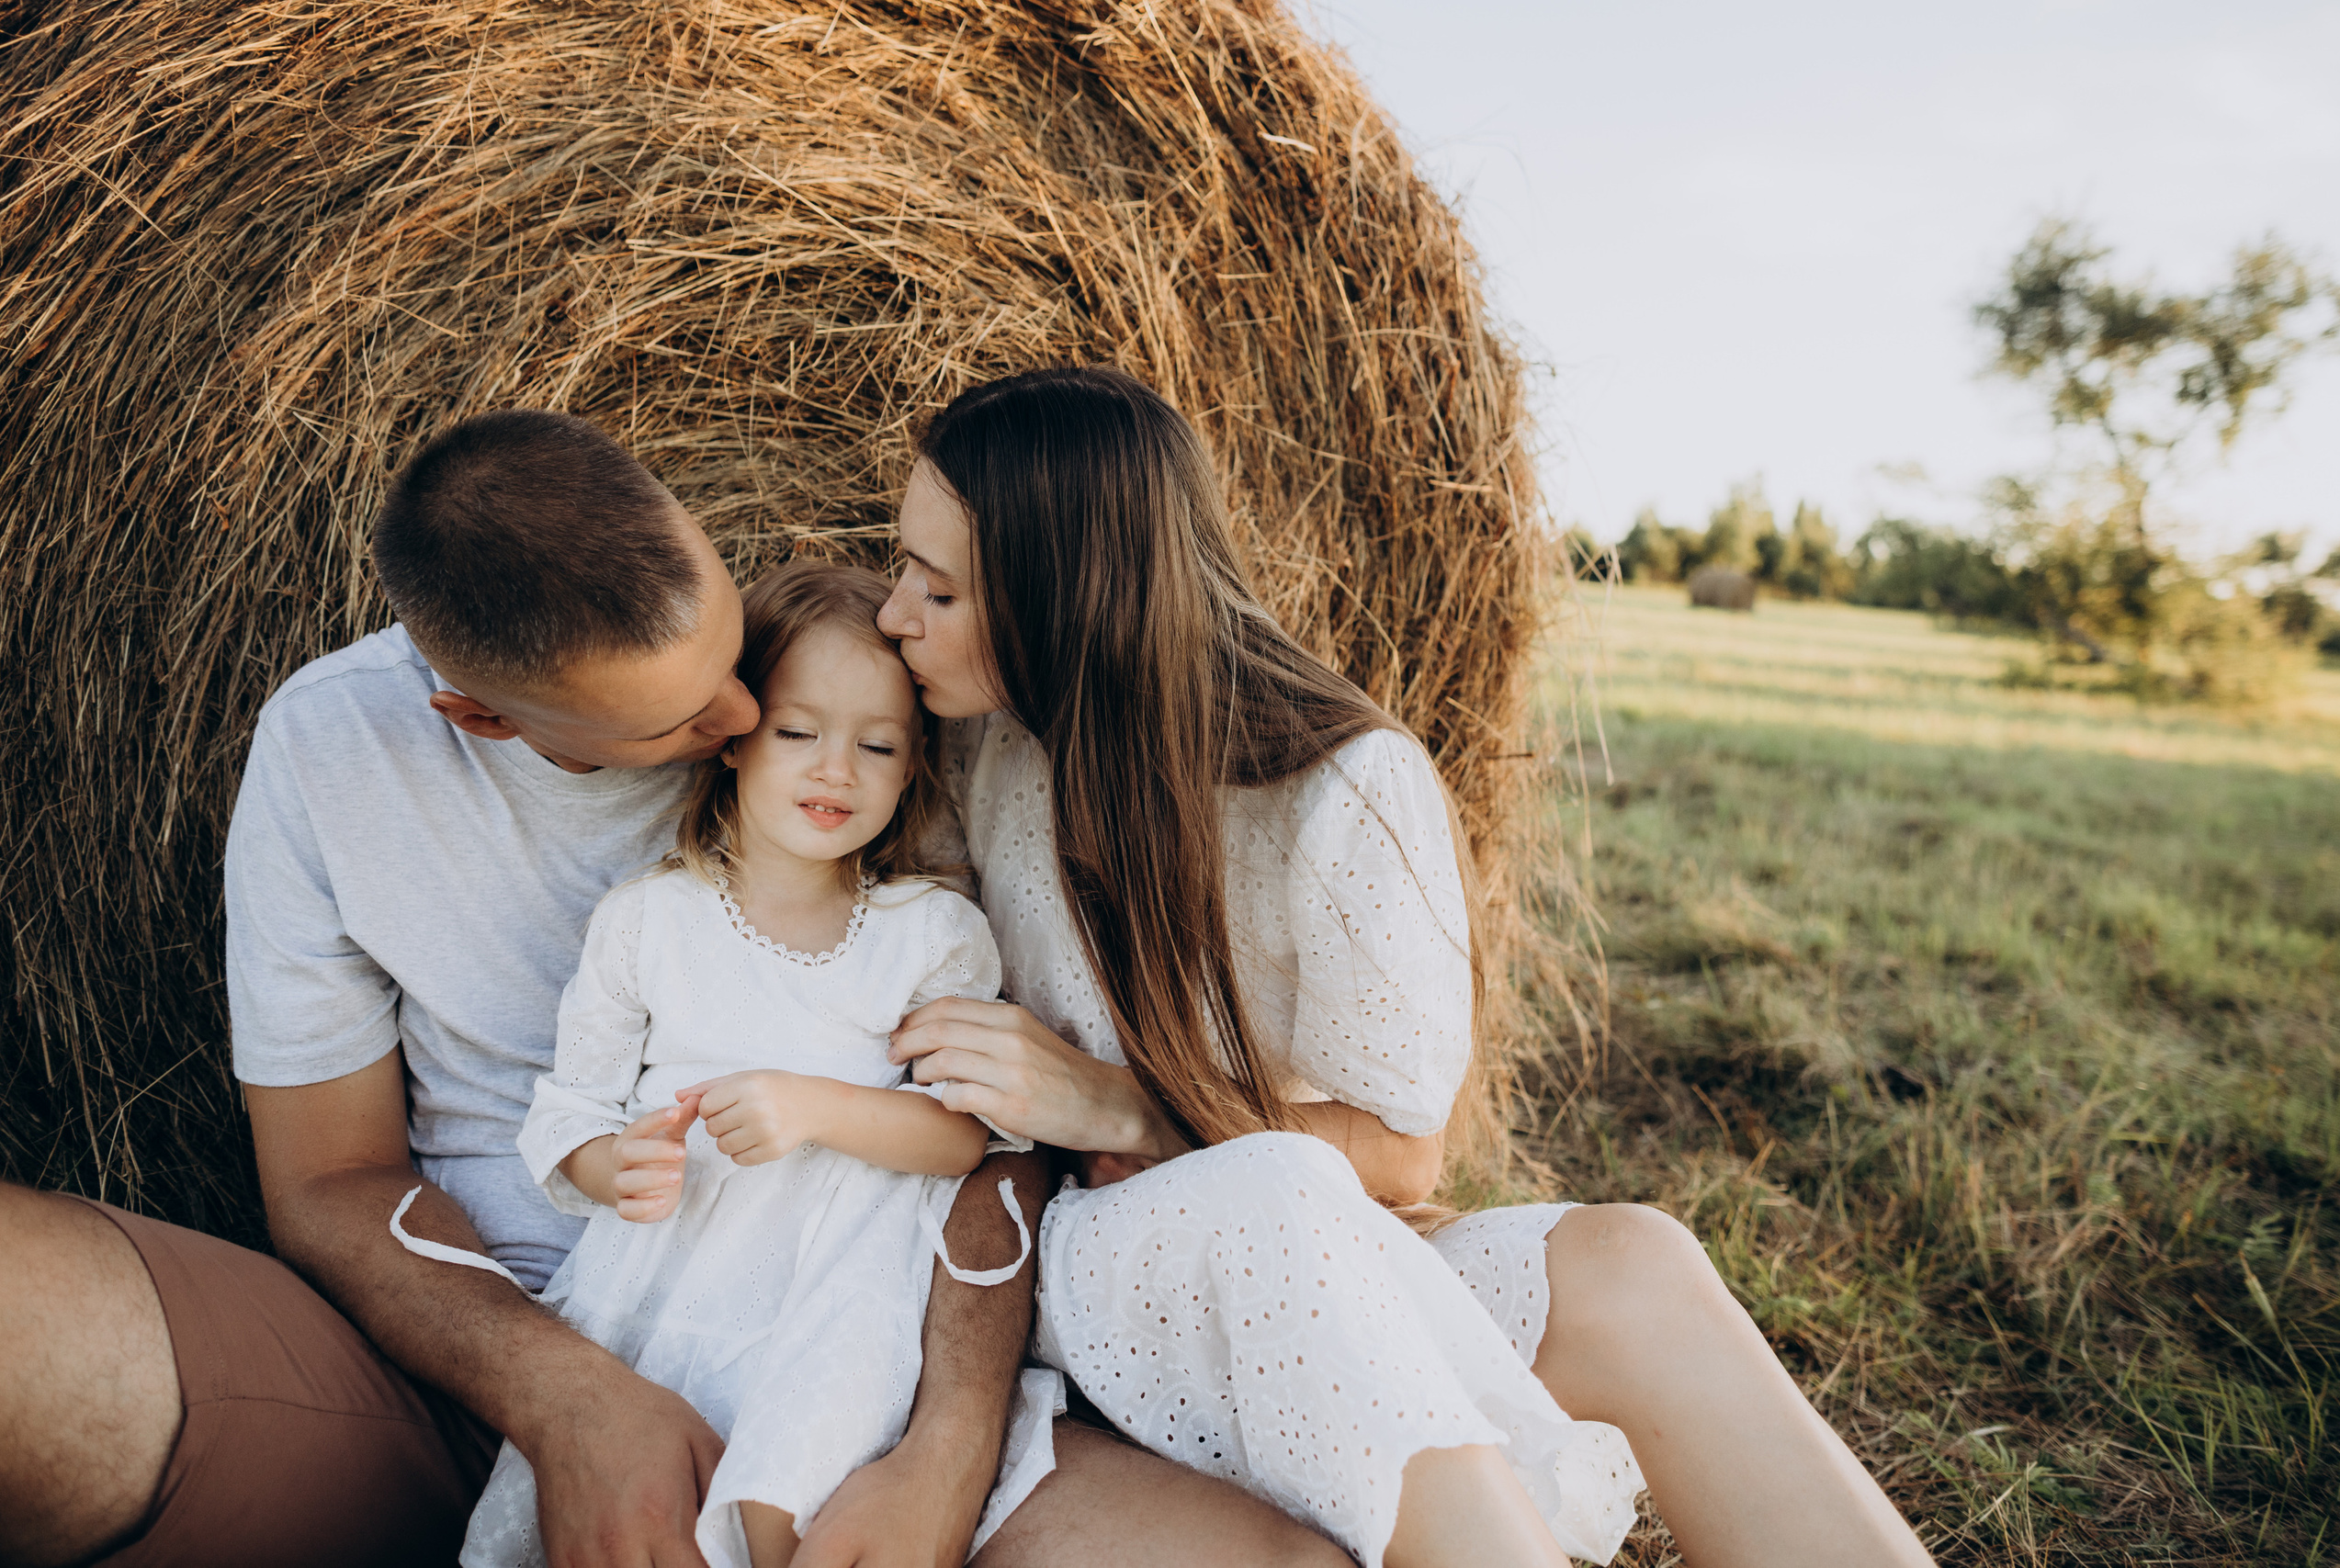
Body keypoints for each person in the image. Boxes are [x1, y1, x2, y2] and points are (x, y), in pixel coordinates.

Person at [0, 410, 1352, 1568]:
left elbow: (991, 1127)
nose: (746, 721)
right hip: (465, 1351)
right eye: (677, 722)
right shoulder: (327, 754)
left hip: (848, 1341)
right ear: (483, 717)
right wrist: (568, 1397)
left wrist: (948, 1435)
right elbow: (330, 1181)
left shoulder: (854, 711)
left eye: (732, 657)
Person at [879, 366, 1939, 1568]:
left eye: (941, 586)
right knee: (1274, 1192)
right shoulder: (976, 756)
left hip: (1301, 1239)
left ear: (1068, 590)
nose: (893, 615)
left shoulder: (1342, 789)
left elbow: (1398, 1154)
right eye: (904, 568)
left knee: (1633, 1263)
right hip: (1080, 1264)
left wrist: (1118, 1098)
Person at [462, 561, 1037, 1568]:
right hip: (670, 1276)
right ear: (735, 740)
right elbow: (570, 1109)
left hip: (840, 1286)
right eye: (798, 732)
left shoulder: (930, 936)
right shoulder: (650, 921)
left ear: (911, 771)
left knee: (780, 1507)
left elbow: (960, 1137)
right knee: (651, 1518)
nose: (835, 769)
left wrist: (812, 1107)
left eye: (877, 745)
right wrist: (611, 1165)